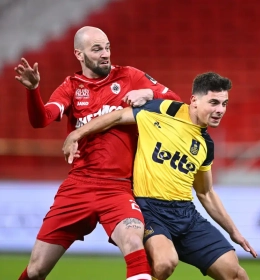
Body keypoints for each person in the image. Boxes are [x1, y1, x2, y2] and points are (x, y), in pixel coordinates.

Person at [14, 26, 181, 280]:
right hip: (78, 187)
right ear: (79, 54)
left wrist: (149, 93)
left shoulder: (130, 77)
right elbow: (42, 119)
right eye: (97, 49)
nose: (105, 54)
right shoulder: (71, 87)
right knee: (36, 270)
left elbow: (177, 103)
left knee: (134, 244)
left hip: (118, 188)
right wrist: (33, 91)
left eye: (107, 47)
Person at [63, 72, 258, 280]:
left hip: (185, 214)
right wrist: (76, 134)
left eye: (224, 104)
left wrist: (233, 231)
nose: (220, 110)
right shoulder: (164, 110)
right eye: (214, 102)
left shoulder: (206, 145)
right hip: (150, 209)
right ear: (194, 101)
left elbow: (205, 192)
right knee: (165, 263)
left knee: (236, 274)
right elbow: (118, 116)